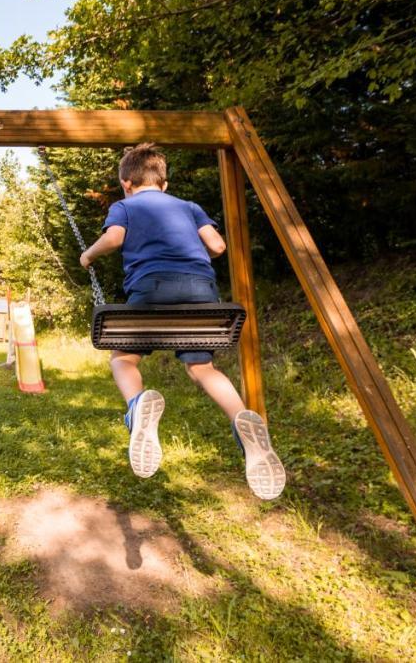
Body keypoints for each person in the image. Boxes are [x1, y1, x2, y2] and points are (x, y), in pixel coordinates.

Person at [79, 143, 285, 499]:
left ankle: (137, 407)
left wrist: (88, 255)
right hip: (201, 292)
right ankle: (242, 420)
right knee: (203, 368)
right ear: (165, 182)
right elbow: (218, 246)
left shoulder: (124, 206)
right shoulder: (189, 207)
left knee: (123, 358)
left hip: (151, 288)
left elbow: (114, 238)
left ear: (126, 182)